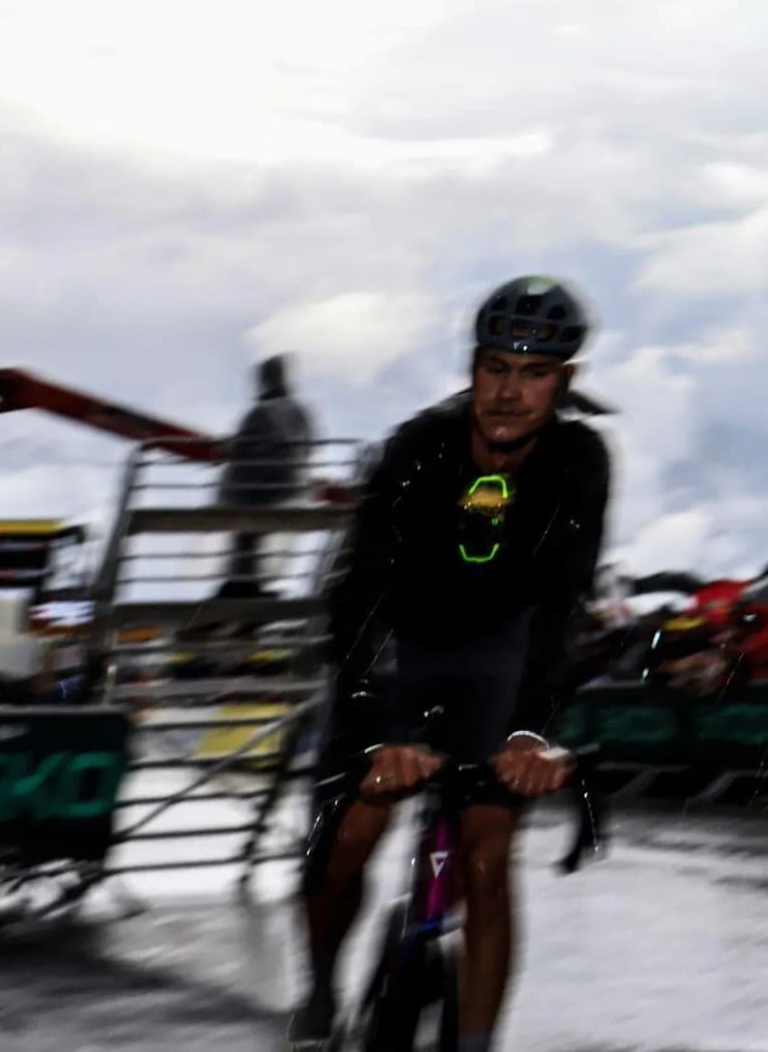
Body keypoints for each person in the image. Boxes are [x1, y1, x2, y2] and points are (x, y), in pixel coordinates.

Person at [293, 279, 609, 1052]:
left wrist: (532, 730)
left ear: (564, 381)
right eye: (495, 366)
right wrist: (372, 730)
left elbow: (562, 604)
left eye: (533, 373)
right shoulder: (417, 445)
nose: (509, 390)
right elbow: (361, 592)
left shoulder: (580, 457)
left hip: (496, 656)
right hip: (399, 644)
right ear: (472, 366)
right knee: (347, 838)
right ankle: (322, 985)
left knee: (487, 855)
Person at [220, 354, 319, 603]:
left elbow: (242, 449)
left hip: (260, 489)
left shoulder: (262, 412)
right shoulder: (301, 412)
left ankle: (241, 589)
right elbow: (309, 446)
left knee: (245, 534)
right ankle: (246, 587)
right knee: (251, 538)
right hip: (291, 489)